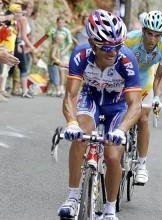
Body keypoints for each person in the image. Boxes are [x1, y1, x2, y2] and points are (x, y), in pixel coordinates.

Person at [57, 9, 141, 220]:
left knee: (113, 155)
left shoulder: (127, 61)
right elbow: (70, 95)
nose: (112, 52)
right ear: (93, 43)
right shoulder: (81, 55)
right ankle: (73, 198)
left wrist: (122, 130)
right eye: (106, 47)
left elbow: (135, 104)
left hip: (118, 106)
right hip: (91, 100)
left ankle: (110, 209)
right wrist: (71, 122)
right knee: (80, 136)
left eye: (117, 46)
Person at [125, 10, 162, 184]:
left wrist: (157, 97)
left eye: (157, 35)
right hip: (124, 78)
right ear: (144, 30)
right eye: (149, 33)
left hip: (144, 79)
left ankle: (142, 165)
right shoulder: (129, 39)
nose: (152, 39)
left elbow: (159, 76)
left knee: (143, 119)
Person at [52, 16, 73, 96]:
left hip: (64, 54)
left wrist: (64, 51)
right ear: (57, 23)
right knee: (55, 70)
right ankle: (56, 88)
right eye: (59, 22)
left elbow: (70, 43)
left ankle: (62, 88)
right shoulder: (54, 31)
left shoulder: (66, 31)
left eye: (62, 22)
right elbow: (53, 42)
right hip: (56, 53)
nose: (61, 24)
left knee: (62, 70)